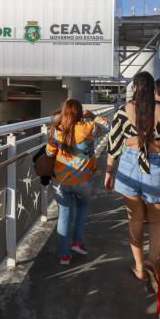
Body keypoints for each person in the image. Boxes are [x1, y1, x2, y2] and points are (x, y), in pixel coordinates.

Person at [105, 71, 160, 282]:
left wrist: (108, 172)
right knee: (157, 220)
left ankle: (140, 268)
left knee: (134, 218)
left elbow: (113, 146)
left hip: (128, 167)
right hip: (157, 166)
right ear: (153, 91)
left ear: (134, 88)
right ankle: (153, 261)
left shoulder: (122, 112)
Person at [45, 99, 109, 265]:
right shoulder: (88, 128)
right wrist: (92, 116)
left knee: (64, 214)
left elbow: (49, 152)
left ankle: (65, 256)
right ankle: (77, 243)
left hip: (60, 181)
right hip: (83, 180)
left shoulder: (56, 130)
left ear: (64, 112)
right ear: (80, 112)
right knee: (82, 208)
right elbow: (107, 126)